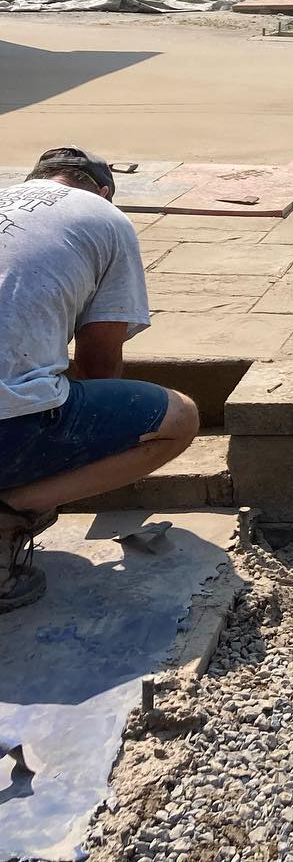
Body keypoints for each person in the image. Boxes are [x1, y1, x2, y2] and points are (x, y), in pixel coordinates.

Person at [0, 148, 199, 612]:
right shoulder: (105, 218)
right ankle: (10, 513)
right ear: (104, 191)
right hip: (6, 432)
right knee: (180, 418)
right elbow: (98, 359)